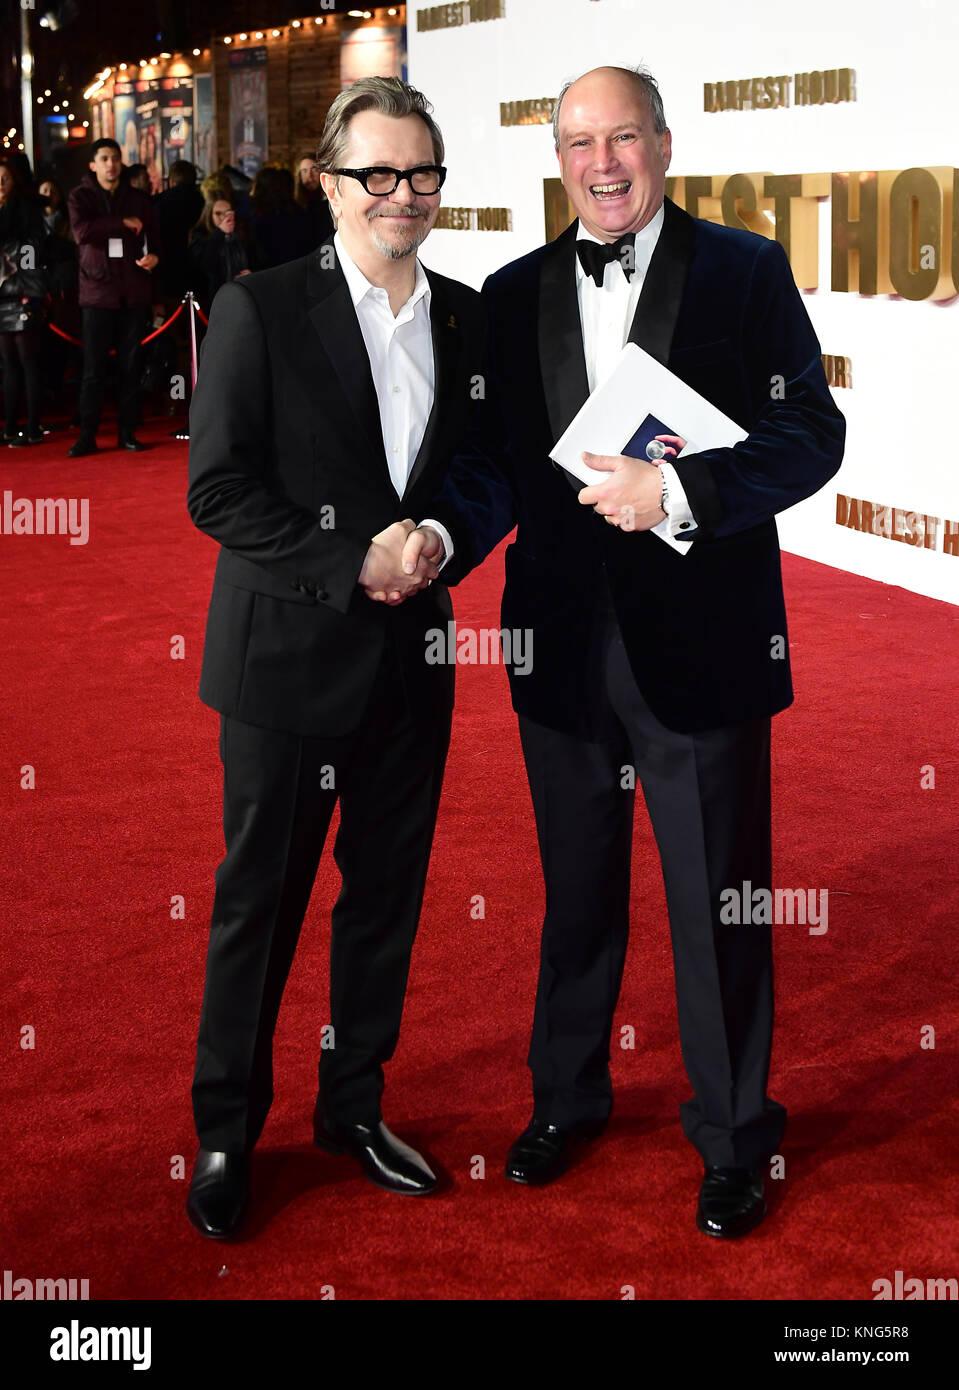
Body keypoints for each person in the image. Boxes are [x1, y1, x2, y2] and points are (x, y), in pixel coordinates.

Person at [397, 65, 846, 1239]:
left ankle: (738, 1133)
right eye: (580, 143)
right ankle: (566, 1100)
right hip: (555, 644)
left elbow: (811, 431)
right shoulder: (510, 290)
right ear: (557, 158)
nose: (604, 163)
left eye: (624, 139)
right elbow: (492, 462)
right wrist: (445, 532)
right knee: (576, 891)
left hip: (699, 646)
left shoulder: (743, 271)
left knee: (718, 899)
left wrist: (681, 488)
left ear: (662, 144)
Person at [184, 76, 483, 1240]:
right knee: (259, 903)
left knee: (385, 901)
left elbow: (476, 472)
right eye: (374, 174)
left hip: (410, 663)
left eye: (419, 175)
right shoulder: (258, 306)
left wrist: (445, 537)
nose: (397, 196)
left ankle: (351, 1106)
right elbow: (218, 488)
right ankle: (223, 1130)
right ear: (327, 182)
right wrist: (348, 559)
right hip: (286, 664)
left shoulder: (462, 319)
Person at [66, 138, 161, 456]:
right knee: (93, 369)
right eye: (105, 158)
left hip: (133, 290)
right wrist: (120, 223)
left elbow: (154, 237)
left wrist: (155, 257)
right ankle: (87, 434)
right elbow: (82, 233)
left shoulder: (137, 198)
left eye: (116, 158)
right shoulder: (80, 196)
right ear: (93, 164)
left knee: (130, 367)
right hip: (96, 293)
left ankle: (127, 431)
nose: (111, 164)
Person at [0, 158, 51, 444]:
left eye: (5, 178)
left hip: (23, 291)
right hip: (1, 294)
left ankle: (32, 426)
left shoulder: (26, 208)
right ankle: (9, 426)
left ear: (14, 180)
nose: (0, 185)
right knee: (8, 363)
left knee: (28, 360)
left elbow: (34, 249)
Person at [187, 195, 258, 315]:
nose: (224, 218)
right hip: (213, 300)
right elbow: (205, 266)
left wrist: (252, 273)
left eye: (228, 213)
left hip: (241, 297)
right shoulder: (200, 236)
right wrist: (219, 233)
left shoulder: (242, 233)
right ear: (209, 214)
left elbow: (259, 259)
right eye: (218, 214)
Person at [153, 159, 204, 305]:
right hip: (197, 263)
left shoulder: (160, 201)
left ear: (171, 179)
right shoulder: (202, 199)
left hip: (168, 262)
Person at [295, 149, 335, 249]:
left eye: (314, 169)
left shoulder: (332, 203)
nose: (309, 176)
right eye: (304, 171)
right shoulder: (295, 206)